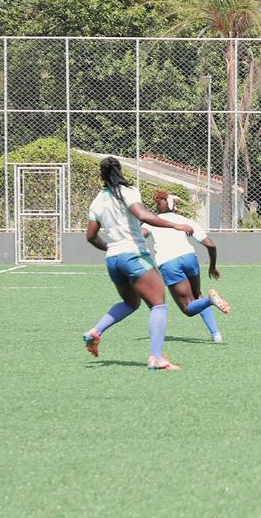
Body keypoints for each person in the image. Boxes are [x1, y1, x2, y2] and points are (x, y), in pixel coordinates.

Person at [81, 157, 192, 370]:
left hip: (113, 259)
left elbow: (91, 236)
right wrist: (174, 225)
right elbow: (143, 215)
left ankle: (95, 332)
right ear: (120, 172)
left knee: (131, 303)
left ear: (102, 176)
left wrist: (111, 248)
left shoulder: (97, 201)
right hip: (134, 254)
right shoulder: (128, 191)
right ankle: (156, 358)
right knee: (158, 304)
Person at [142, 190, 230, 344]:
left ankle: (211, 300)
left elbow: (140, 235)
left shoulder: (152, 221)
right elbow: (211, 245)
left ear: (157, 204)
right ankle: (216, 334)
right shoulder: (185, 220)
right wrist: (212, 266)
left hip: (169, 262)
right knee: (197, 296)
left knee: (188, 309)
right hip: (189, 258)